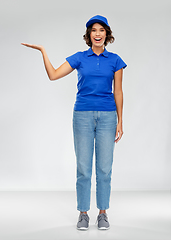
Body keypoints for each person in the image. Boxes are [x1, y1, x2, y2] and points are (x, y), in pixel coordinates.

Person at [21, 14, 127, 231]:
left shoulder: (115, 60)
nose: (97, 34)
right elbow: (53, 75)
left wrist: (120, 120)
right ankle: (83, 213)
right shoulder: (80, 58)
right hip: (82, 116)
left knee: (105, 168)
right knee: (83, 167)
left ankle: (103, 213)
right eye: (93, 30)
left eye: (101, 30)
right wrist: (43, 51)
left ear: (107, 34)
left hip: (108, 116)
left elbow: (118, 91)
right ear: (88, 35)